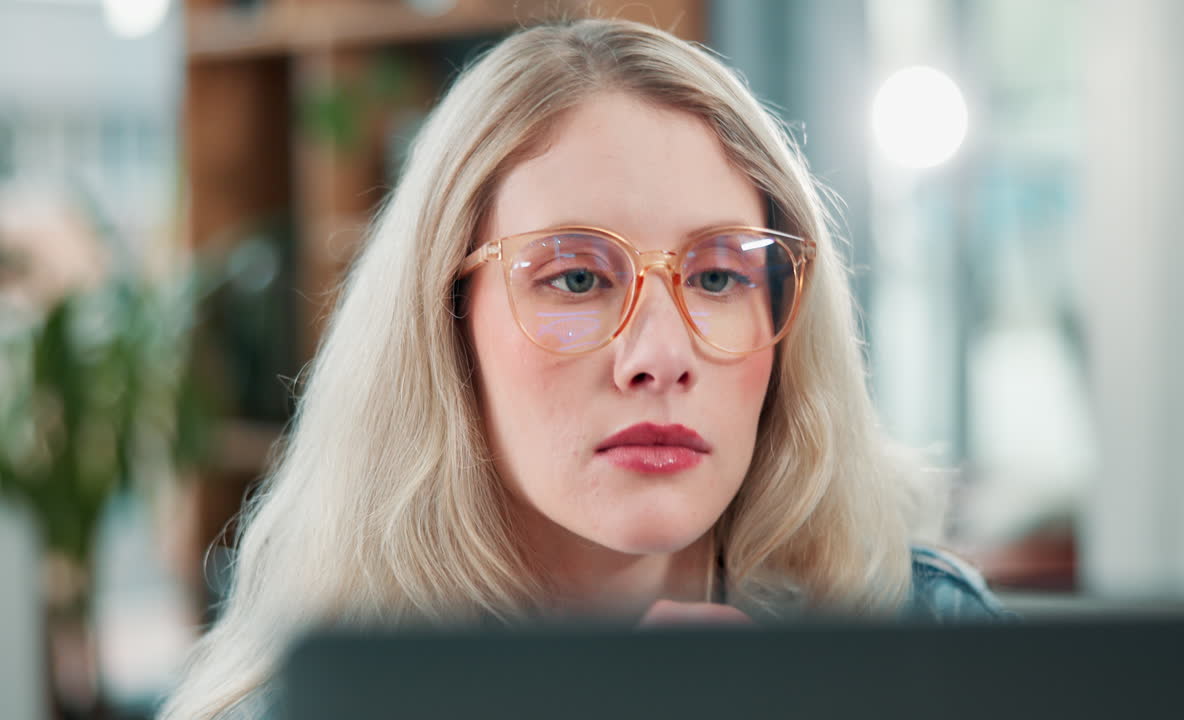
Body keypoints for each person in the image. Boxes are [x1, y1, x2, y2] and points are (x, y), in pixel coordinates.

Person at [160, 17, 1008, 720]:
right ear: (445, 321)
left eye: (718, 277)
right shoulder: (296, 706)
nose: (662, 357)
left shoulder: (928, 635)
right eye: (575, 278)